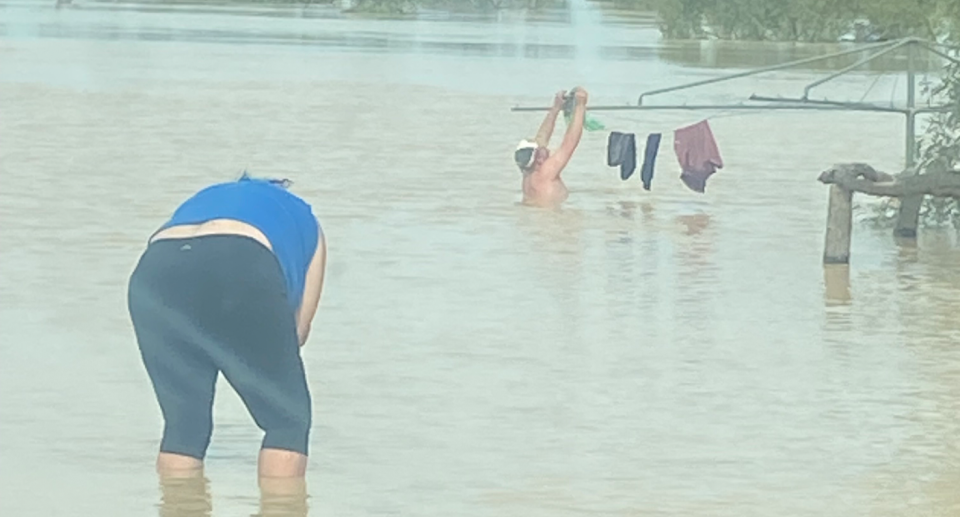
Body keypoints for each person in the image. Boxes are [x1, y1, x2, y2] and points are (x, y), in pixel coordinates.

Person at [126, 173, 327, 480]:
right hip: (241, 260)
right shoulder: (306, 217)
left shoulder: (206, 198)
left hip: (156, 269)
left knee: (184, 426)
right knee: (286, 421)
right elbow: (295, 332)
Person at [514, 87, 588, 207]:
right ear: (539, 159)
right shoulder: (546, 171)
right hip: (552, 218)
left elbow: (541, 137)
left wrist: (556, 108)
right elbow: (570, 142)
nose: (543, 146)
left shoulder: (527, 171)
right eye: (540, 149)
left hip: (537, 214)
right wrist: (580, 106)